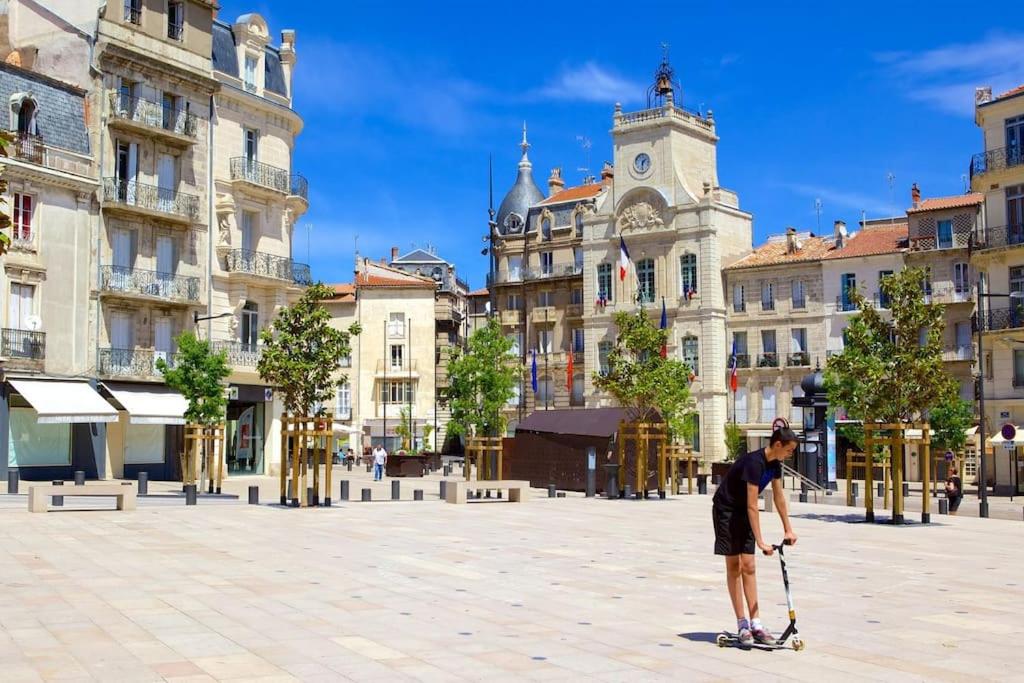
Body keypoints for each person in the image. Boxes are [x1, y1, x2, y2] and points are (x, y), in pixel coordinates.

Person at [712, 428, 799, 647]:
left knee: (749, 566)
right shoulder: (754, 463)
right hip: (727, 510)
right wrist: (761, 541)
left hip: (743, 511)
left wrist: (788, 528)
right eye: (789, 450)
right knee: (734, 565)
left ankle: (756, 623)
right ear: (777, 445)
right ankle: (742, 624)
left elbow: (778, 497)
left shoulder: (775, 465)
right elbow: (753, 504)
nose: (790, 454)